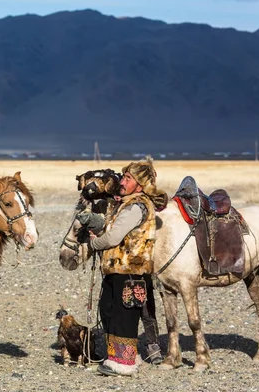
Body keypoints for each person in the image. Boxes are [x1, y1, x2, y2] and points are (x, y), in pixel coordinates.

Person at [88, 156, 167, 376]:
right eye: (124, 176)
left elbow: (113, 238)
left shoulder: (137, 206)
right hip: (117, 270)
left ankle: (124, 363)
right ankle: (117, 357)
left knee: (124, 316)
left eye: (128, 178)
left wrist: (94, 243)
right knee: (108, 310)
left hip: (130, 272)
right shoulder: (126, 204)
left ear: (140, 184)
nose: (122, 181)